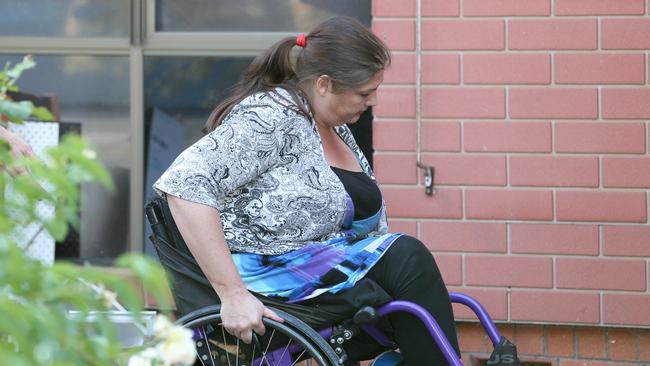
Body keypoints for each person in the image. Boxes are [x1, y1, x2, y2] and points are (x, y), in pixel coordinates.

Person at [153, 16, 459, 365]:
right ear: (325, 84)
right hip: (270, 274)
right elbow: (184, 184)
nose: (373, 101)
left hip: (322, 272)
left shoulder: (333, 127)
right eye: (365, 92)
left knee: (408, 278)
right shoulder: (271, 115)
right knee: (406, 256)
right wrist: (233, 294)